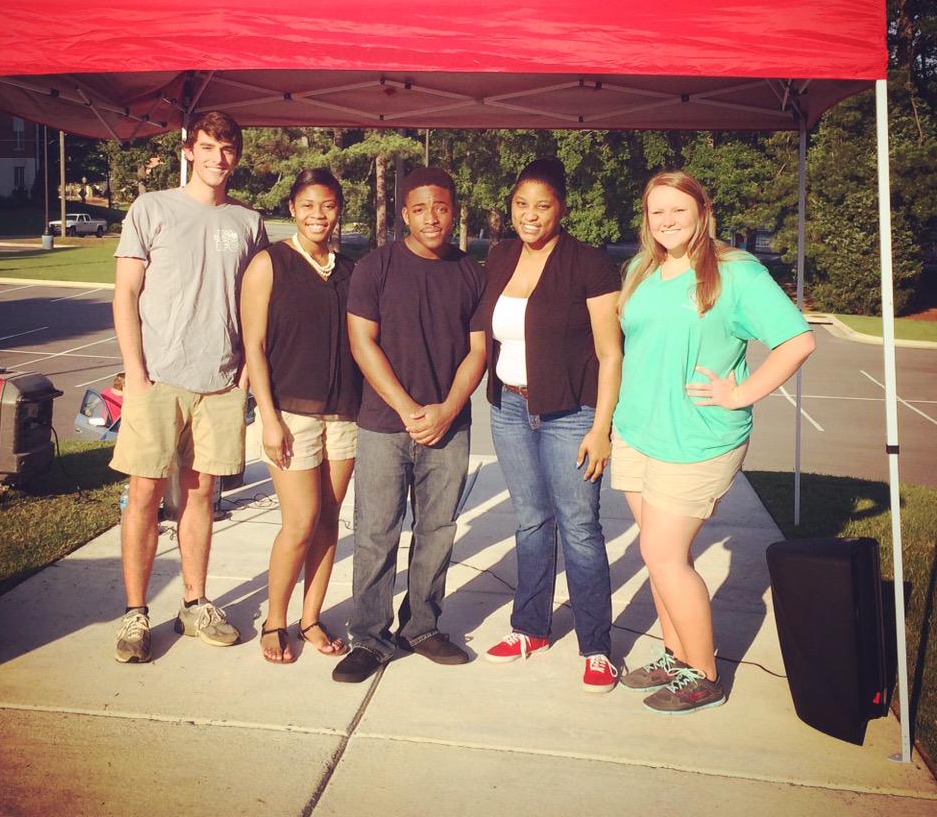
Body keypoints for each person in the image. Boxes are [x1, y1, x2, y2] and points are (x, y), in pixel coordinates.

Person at [612, 170, 814, 714]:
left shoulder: (735, 273)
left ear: (703, 212)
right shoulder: (642, 268)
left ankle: (703, 673)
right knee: (658, 557)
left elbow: (797, 341)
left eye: (679, 210)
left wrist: (740, 392)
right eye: (657, 212)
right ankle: (676, 654)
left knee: (663, 553)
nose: (667, 221)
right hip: (636, 431)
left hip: (699, 439)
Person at [110, 110, 268, 664]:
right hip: (158, 380)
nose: (217, 158)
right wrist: (135, 368)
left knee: (200, 496)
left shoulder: (248, 222)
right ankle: (135, 613)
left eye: (227, 150)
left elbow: (256, 305)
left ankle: (195, 603)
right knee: (146, 497)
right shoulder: (151, 208)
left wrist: (247, 371)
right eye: (207, 147)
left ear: (236, 157)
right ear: (188, 149)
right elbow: (125, 293)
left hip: (220, 384)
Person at [474, 159, 624, 692]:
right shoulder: (500, 256)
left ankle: (597, 647)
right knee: (531, 521)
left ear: (561, 208)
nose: (530, 215)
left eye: (542, 205)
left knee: (580, 528)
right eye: (521, 204)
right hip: (509, 408)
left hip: (571, 414)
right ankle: (529, 627)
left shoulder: (590, 263)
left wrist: (601, 427)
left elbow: (611, 353)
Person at [332, 166, 486, 683]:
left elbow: (478, 351)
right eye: (419, 208)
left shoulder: (472, 273)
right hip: (383, 423)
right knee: (376, 533)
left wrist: (445, 408)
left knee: (437, 531)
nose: (431, 218)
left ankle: (421, 626)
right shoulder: (375, 268)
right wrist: (405, 408)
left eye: (440, 207)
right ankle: (369, 637)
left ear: (454, 209)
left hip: (449, 425)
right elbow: (362, 343)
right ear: (404, 213)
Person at [240, 168, 361, 663]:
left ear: (338, 211)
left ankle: (310, 618)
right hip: (291, 414)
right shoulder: (269, 264)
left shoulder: (350, 269)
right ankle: (275, 620)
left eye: (328, 205)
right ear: (292, 208)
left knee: (329, 521)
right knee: (300, 521)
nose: (318, 215)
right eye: (308, 204)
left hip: (345, 413)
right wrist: (268, 419)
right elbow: (254, 345)